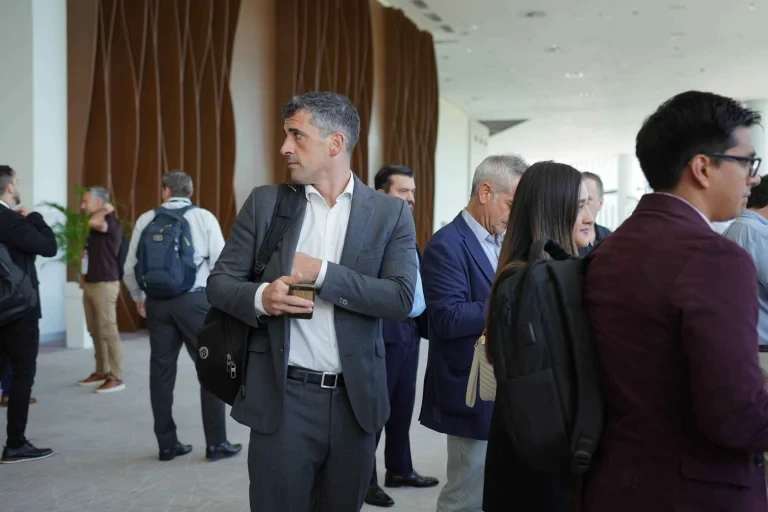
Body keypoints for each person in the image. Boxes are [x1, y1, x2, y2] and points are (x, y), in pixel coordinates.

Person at [207, 91, 418, 511]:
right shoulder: (266, 204)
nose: (284, 147)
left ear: (335, 143)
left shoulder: (390, 214)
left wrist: (322, 273)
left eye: (296, 135)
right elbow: (219, 283)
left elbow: (400, 298)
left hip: (355, 403)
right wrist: (262, 297)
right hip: (283, 398)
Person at [584, 91, 768, 511]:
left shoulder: (611, 248)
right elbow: (737, 418)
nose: (753, 179)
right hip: (698, 491)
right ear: (702, 167)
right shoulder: (714, 258)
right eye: (747, 163)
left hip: (619, 481)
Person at [482, 162, 594, 512]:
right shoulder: (527, 281)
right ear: (554, 210)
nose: (589, 217)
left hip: (536, 445)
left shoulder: (542, 274)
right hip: (540, 453)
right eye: (579, 207)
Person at [420, 154, 528, 512]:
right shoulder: (446, 244)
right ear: (485, 192)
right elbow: (448, 318)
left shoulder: (505, 241)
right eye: (511, 204)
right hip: (471, 385)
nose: (515, 215)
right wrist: (510, 300)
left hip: (504, 382)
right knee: (466, 493)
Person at [123, 170, 241, 462]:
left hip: (157, 304)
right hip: (194, 303)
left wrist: (139, 298)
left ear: (165, 191)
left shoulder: (146, 219)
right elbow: (221, 264)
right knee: (210, 369)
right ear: (190, 191)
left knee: (161, 373)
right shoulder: (203, 218)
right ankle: (216, 443)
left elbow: (129, 268)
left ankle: (167, 444)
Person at [366, 165, 438, 508]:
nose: (411, 198)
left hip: (409, 330)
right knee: (375, 411)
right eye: (403, 191)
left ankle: (399, 469)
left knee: (402, 406)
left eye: (412, 192)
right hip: (384, 333)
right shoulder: (370, 233)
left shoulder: (405, 229)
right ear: (382, 194)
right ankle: (364, 481)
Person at [0, 165, 57, 464]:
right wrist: (34, 217)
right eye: (17, 182)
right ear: (9, 188)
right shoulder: (10, 220)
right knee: (23, 372)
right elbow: (49, 246)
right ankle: (15, 444)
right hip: (18, 310)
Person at [77, 187, 125, 393]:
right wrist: (83, 277)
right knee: (94, 330)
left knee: (108, 330)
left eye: (86, 201)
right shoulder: (95, 226)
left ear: (99, 203)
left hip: (105, 284)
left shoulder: (110, 222)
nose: (82, 206)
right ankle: (101, 371)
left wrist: (105, 209)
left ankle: (116, 376)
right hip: (91, 282)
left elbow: (94, 222)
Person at [578, 172, 612, 255]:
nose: (580, 206)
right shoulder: (566, 240)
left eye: (587, 201)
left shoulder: (609, 237)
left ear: (600, 204)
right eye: (579, 201)